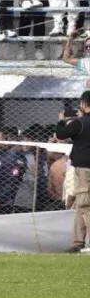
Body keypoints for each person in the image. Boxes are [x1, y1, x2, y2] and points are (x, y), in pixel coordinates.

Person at [56, 91, 90, 252]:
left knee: (85, 204)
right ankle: (78, 242)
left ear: (84, 104)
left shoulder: (81, 122)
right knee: (80, 205)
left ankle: (86, 242)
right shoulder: (81, 121)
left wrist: (62, 121)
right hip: (83, 169)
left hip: (84, 170)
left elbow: (61, 135)